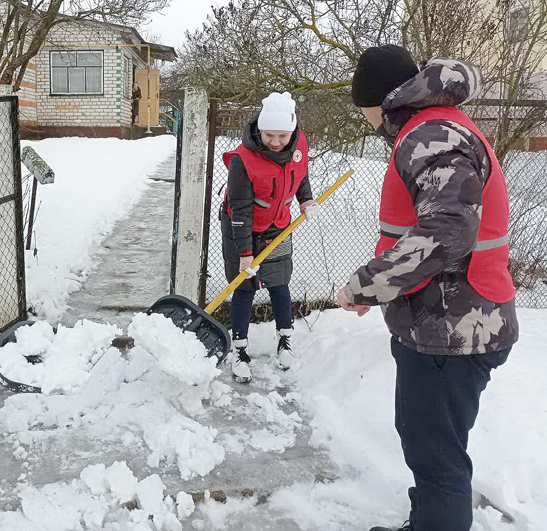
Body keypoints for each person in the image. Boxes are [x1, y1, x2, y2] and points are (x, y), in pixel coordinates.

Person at [336, 45, 518, 531]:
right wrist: (383, 289)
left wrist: (368, 284)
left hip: (454, 329)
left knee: (437, 459)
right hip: (446, 321)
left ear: (378, 100)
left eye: (365, 110)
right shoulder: (437, 125)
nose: (368, 121)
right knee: (429, 445)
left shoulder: (430, 135)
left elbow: (448, 230)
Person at [220, 92, 320, 382]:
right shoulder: (243, 160)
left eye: (282, 136)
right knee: (244, 285)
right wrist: (244, 254)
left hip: (279, 226)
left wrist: (306, 200)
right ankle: (239, 350)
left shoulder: (299, 144)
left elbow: (300, 174)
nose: (276, 142)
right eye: (269, 135)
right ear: (259, 129)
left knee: (279, 282)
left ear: (292, 131)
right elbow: (238, 209)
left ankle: (285, 340)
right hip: (242, 228)